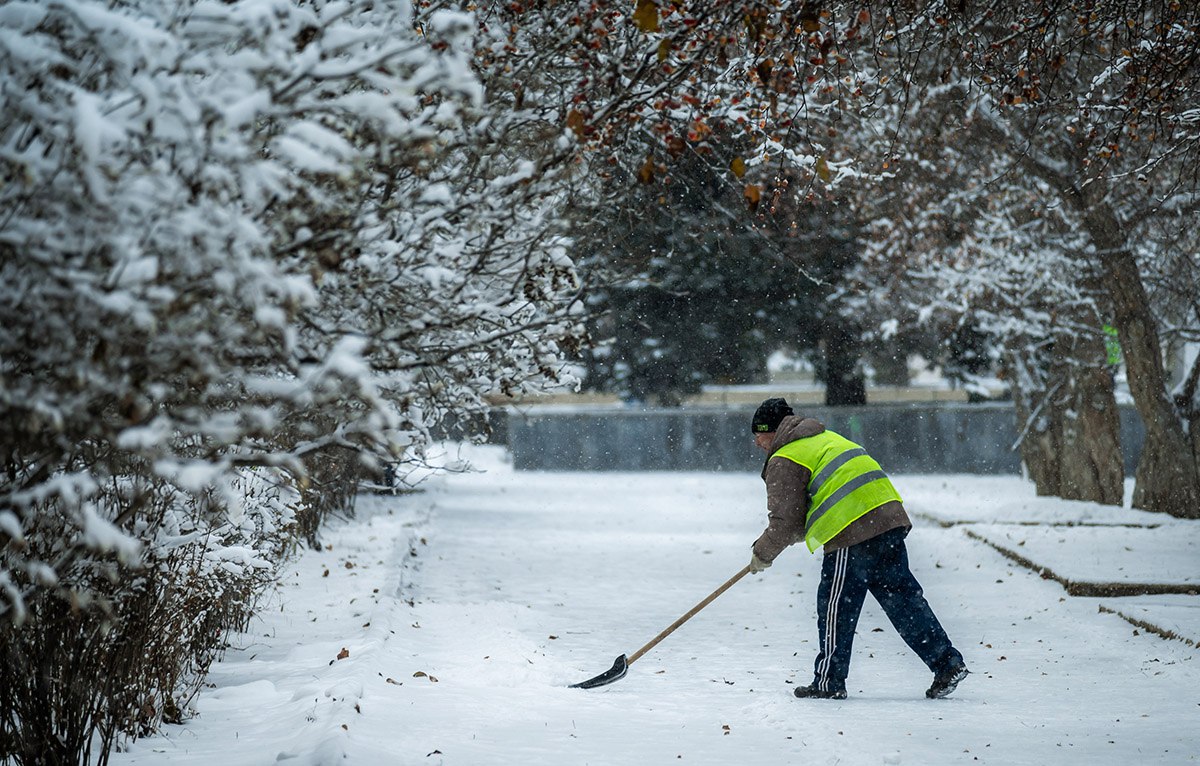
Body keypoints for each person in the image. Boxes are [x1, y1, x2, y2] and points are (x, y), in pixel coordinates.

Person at [747, 397, 968, 700]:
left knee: (836, 606)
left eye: (758, 436)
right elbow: (798, 520)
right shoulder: (823, 438)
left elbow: (785, 521)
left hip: (851, 527)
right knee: (902, 600)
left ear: (770, 431)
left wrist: (762, 554)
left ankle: (829, 681)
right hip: (887, 516)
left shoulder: (785, 456)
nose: (758, 443)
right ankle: (947, 664)